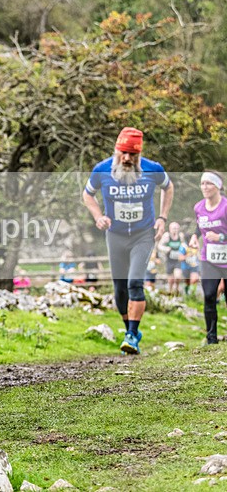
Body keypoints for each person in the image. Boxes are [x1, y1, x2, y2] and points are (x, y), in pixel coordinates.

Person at [82, 127, 173, 354]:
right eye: (123, 152)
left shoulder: (153, 169)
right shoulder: (102, 170)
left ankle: (132, 334)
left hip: (143, 234)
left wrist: (162, 218)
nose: (127, 158)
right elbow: (87, 194)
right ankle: (129, 331)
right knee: (120, 289)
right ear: (116, 150)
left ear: (139, 155)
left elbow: (168, 187)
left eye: (132, 154)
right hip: (116, 235)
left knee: (134, 282)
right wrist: (98, 216)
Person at [194, 171, 227, 344]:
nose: (204, 187)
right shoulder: (198, 207)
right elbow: (199, 224)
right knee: (208, 294)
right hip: (210, 259)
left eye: (209, 183)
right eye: (202, 183)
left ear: (218, 186)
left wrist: (221, 238)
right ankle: (211, 337)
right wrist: (194, 236)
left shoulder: (226, 207)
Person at [158, 221, 185, 295]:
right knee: (170, 279)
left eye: (176, 228)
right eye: (173, 228)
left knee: (178, 276)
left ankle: (176, 288)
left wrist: (183, 251)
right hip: (169, 259)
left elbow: (183, 245)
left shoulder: (180, 236)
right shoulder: (166, 236)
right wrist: (166, 249)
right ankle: (170, 291)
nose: (175, 230)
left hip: (177, 260)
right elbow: (159, 246)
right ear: (170, 229)